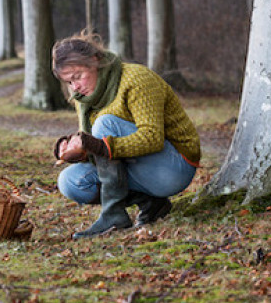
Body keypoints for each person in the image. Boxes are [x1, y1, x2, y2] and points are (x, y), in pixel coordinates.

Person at [52, 33, 201, 239]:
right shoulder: (83, 99)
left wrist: (98, 145)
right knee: (70, 181)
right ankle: (151, 203)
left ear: (95, 61)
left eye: (77, 76)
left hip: (174, 167)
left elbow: (152, 138)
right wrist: (78, 151)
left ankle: (113, 215)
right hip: (139, 169)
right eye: (69, 82)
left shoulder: (136, 79)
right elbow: (102, 155)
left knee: (105, 122)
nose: (75, 87)